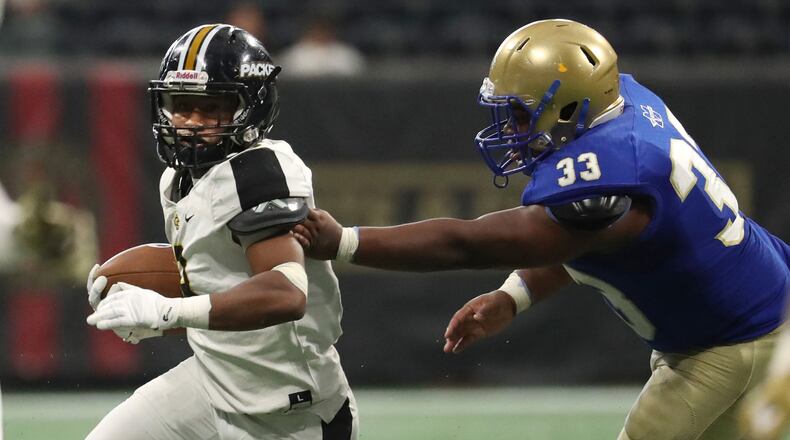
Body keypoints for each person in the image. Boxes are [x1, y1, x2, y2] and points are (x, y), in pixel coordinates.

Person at [293, 19, 790, 440]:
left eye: (519, 113)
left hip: (731, 342)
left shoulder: (609, 171)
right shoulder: (623, 110)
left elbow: (469, 242)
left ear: (571, 107)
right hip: (759, 306)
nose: (509, 127)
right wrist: (515, 295)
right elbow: (588, 241)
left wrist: (346, 242)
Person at [85, 24, 357, 440]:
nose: (192, 122)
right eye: (181, 105)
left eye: (211, 108)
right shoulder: (176, 179)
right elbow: (218, 282)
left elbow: (286, 293)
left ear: (252, 108)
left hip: (288, 407)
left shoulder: (260, 173)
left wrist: (168, 311)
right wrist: (147, 307)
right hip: (213, 377)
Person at [278, 16, 365, 77]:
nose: (321, 34)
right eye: (318, 30)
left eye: (324, 30)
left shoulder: (346, 54)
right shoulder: (295, 54)